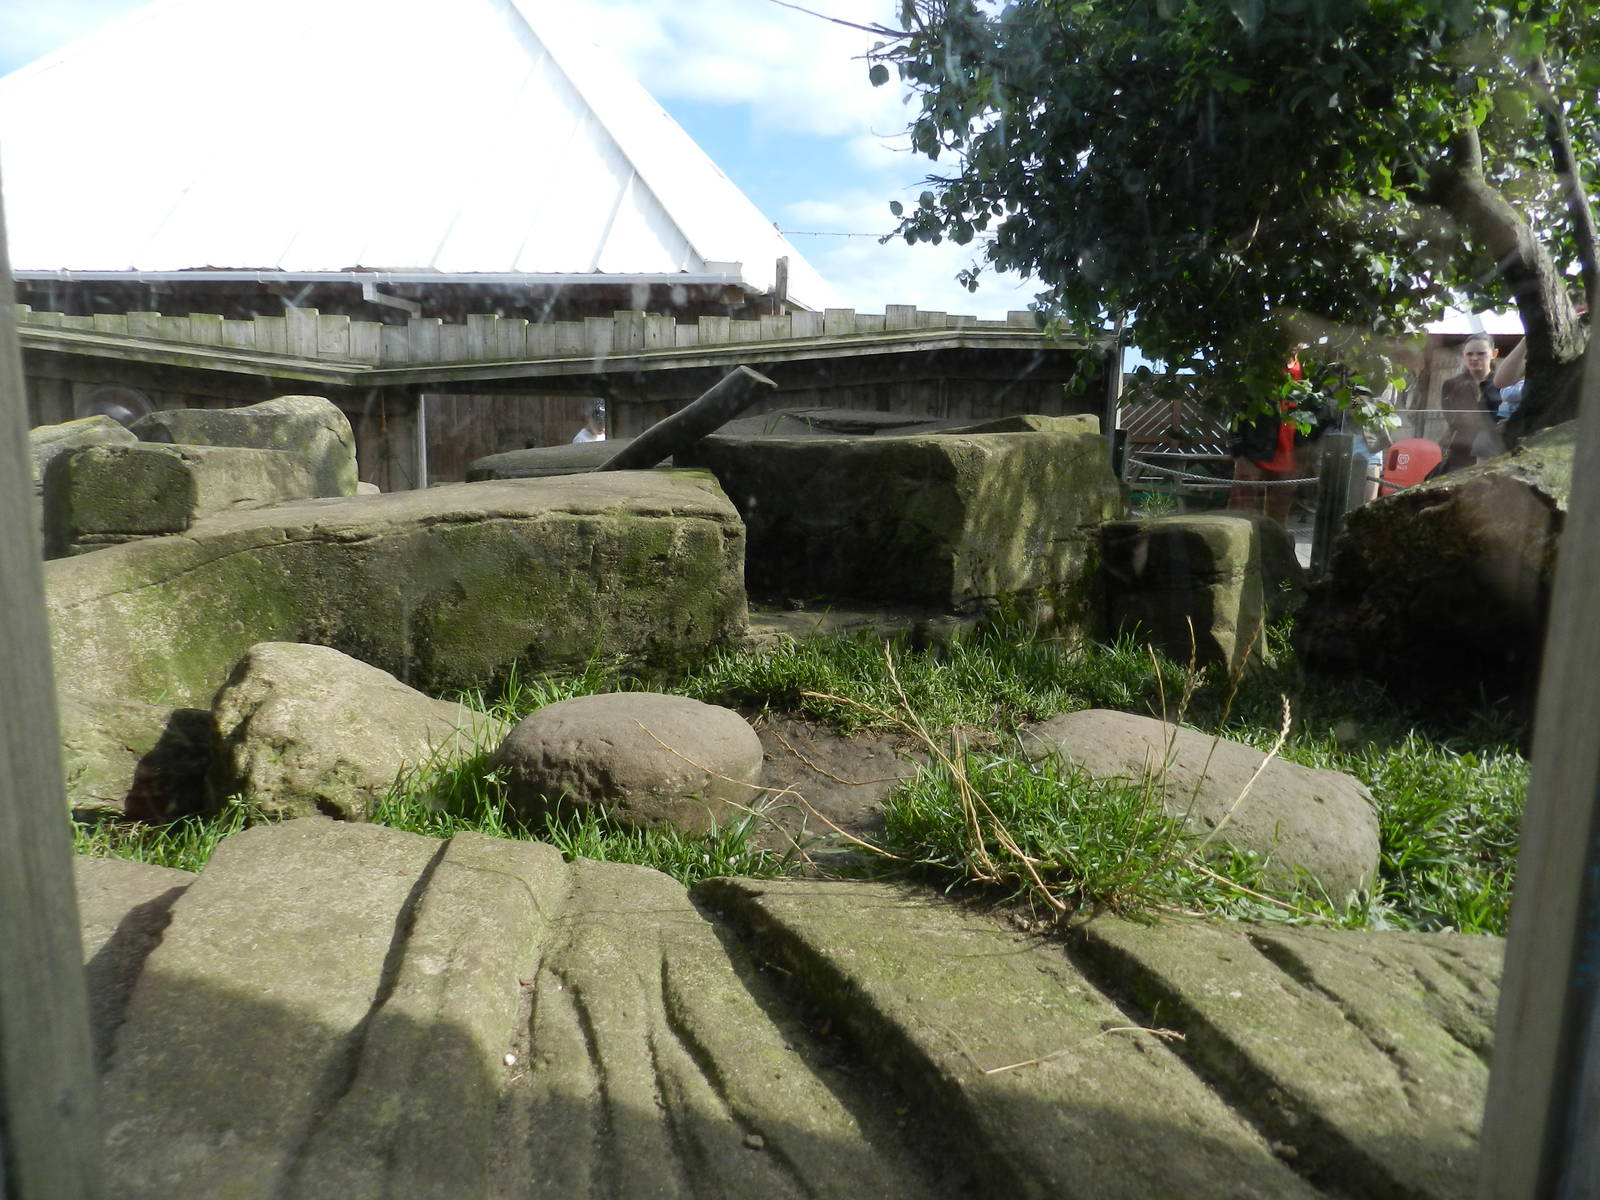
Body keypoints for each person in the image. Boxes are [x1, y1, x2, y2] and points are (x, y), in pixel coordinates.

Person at [1439, 334, 1501, 471]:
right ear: (1463, 355)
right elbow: (1452, 419)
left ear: (1494, 354)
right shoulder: (1451, 385)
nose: (1474, 358)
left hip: (1493, 452)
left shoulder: (1503, 384)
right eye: (1470, 354)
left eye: (1481, 353)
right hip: (1461, 451)